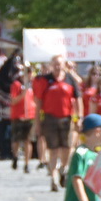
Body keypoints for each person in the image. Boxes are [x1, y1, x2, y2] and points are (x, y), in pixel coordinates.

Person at [34, 55, 83, 190]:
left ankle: (63, 168)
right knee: (53, 149)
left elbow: (78, 99)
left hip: (67, 118)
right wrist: (37, 123)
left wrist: (79, 117)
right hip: (50, 118)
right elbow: (38, 103)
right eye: (55, 64)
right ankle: (53, 177)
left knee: (67, 147)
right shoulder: (46, 80)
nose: (57, 66)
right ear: (51, 65)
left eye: (59, 64)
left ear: (64, 65)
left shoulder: (70, 79)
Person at [9, 65, 37, 174]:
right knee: (16, 140)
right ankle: (15, 156)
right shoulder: (16, 85)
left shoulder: (33, 85)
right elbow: (13, 101)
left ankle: (27, 163)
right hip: (18, 115)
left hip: (30, 115)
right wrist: (22, 94)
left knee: (28, 140)